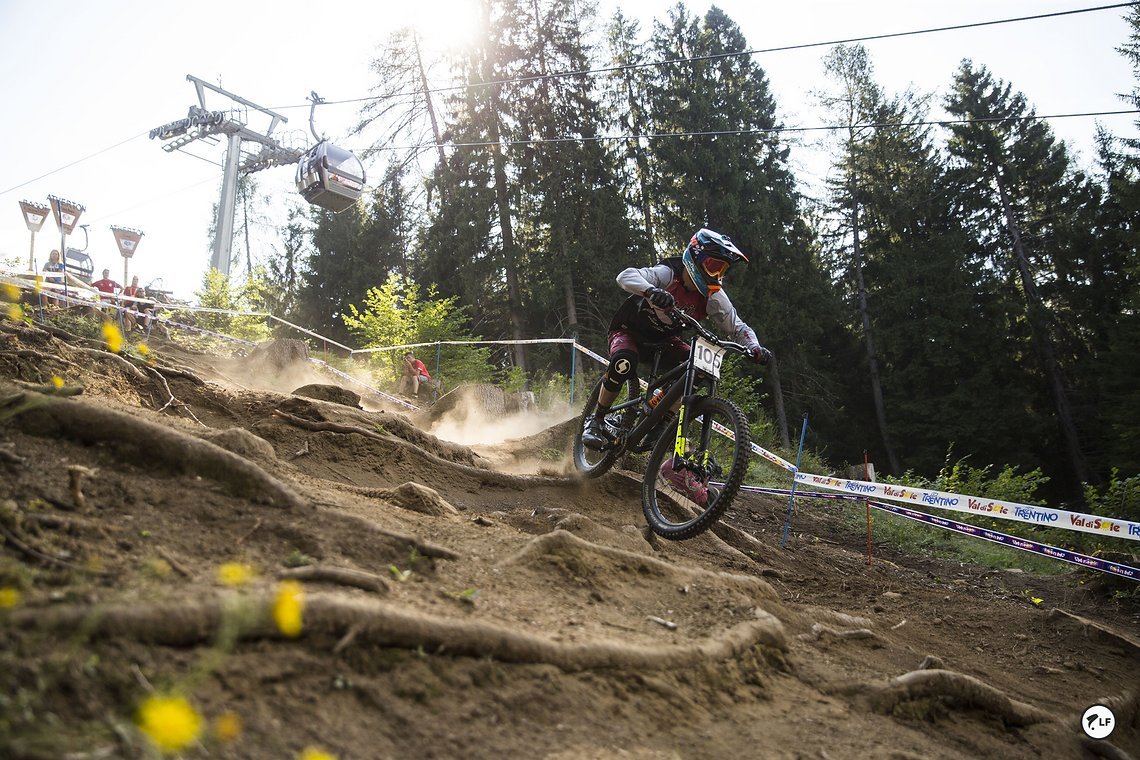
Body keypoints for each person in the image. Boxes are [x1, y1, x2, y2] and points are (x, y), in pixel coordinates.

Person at [580, 228, 772, 504]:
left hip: (664, 340)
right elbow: (625, 276)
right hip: (629, 331)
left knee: (696, 369)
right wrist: (651, 291)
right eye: (714, 265)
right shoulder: (667, 273)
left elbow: (737, 326)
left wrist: (754, 346)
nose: (717, 275)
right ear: (696, 257)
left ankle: (661, 419)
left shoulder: (714, 296)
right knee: (624, 362)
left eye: (722, 270)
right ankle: (596, 421)